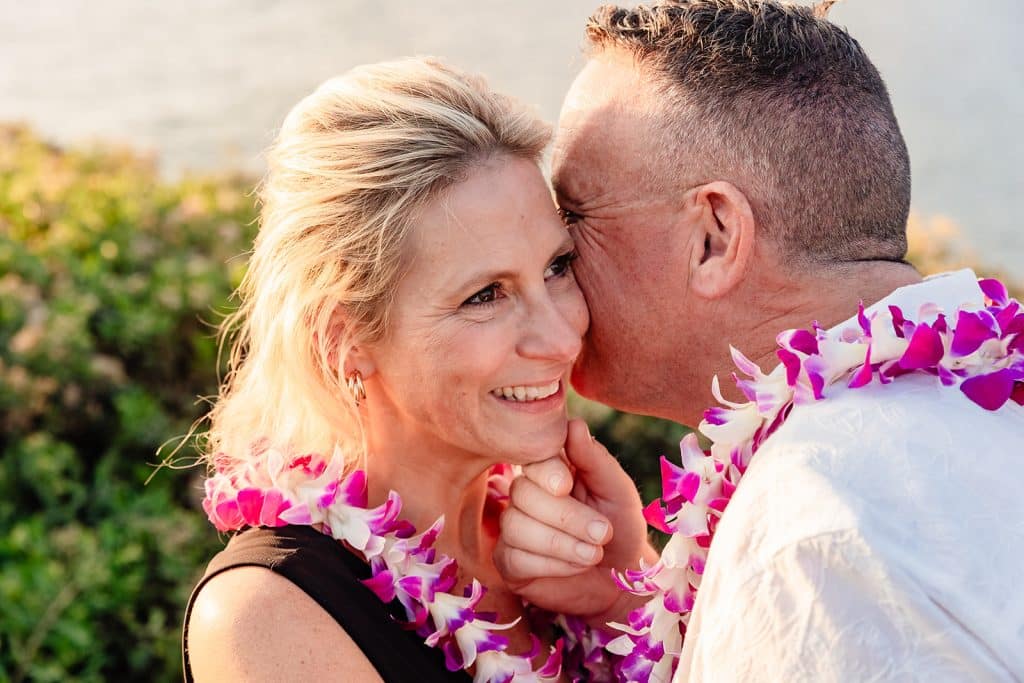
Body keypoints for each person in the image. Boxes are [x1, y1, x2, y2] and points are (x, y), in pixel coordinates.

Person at [493, 2, 1024, 681]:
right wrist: (626, 599)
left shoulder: (809, 537)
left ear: (713, 237)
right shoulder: (981, 395)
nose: (552, 247)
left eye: (574, 213)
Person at [182, 56, 602, 682]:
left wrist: (622, 595)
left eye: (557, 267)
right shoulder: (268, 615)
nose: (563, 338)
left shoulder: (559, 555)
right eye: (485, 295)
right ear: (345, 336)